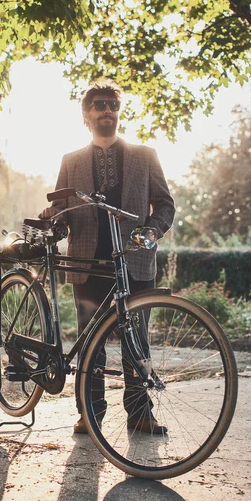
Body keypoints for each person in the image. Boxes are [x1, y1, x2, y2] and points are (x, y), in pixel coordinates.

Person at [39, 80, 175, 434]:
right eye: (99, 104)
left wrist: (152, 232)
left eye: (113, 104)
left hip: (135, 261)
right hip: (87, 264)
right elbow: (62, 210)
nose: (107, 110)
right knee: (89, 346)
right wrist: (52, 217)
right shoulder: (71, 161)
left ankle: (140, 414)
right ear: (86, 114)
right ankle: (90, 415)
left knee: (137, 342)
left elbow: (165, 204)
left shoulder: (146, 156)